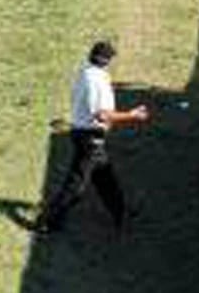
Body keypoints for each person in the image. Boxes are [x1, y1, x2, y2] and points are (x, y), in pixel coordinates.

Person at [34, 41, 150, 233]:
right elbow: (102, 115)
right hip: (91, 137)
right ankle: (46, 222)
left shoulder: (84, 72)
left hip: (82, 133)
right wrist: (133, 115)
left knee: (105, 177)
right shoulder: (99, 80)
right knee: (76, 186)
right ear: (107, 61)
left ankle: (120, 212)